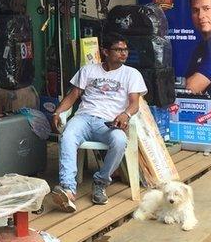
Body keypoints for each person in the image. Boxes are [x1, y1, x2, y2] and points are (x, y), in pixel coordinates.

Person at [51, 33, 147, 211]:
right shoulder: (88, 70)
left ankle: (100, 182)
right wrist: (58, 112)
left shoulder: (132, 74)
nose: (123, 53)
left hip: (109, 122)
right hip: (84, 117)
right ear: (105, 52)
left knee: (119, 141)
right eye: (118, 50)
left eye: (125, 49)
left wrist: (125, 114)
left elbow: (134, 104)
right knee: (68, 136)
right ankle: (68, 189)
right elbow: (73, 96)